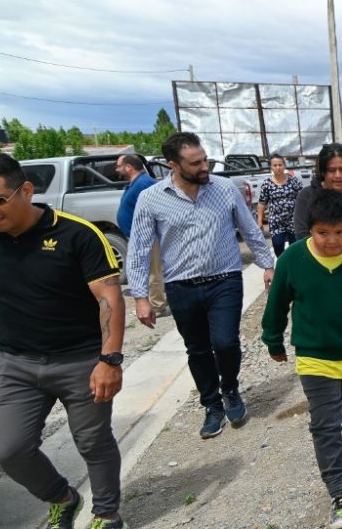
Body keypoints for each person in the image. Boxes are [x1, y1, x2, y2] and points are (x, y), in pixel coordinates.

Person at [0, 154, 128, 529]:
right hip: (13, 363)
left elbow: (109, 298)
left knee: (92, 442)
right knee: (10, 450)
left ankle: (107, 514)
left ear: (26, 190)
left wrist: (109, 360)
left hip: (81, 361)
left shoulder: (77, 234)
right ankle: (62, 497)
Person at [128, 131, 277, 439]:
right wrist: (141, 296)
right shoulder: (151, 198)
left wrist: (268, 265)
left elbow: (249, 229)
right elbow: (139, 248)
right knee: (197, 349)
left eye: (205, 160)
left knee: (225, 342)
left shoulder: (224, 189)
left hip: (225, 279)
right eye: (195, 163)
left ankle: (230, 389)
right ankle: (211, 405)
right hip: (180, 286)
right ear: (173, 165)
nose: (204, 167)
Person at [261, 188, 342, 529]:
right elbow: (277, 303)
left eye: (340, 232)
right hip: (314, 357)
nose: (331, 240)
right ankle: (339, 493)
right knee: (324, 425)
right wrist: (272, 338)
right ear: (310, 229)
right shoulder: (292, 260)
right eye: (322, 232)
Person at [115, 153, 167, 316]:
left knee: (153, 271)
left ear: (128, 167)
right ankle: (154, 301)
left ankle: (158, 306)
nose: (116, 169)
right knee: (148, 270)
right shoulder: (136, 183)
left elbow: (158, 208)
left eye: (118, 166)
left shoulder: (144, 184)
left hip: (149, 237)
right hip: (140, 236)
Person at [293, 143, 342, 240]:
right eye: (332, 170)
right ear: (323, 172)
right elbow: (302, 235)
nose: (338, 175)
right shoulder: (307, 196)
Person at [258, 153, 304, 257]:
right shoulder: (267, 184)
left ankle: (294, 265)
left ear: (284, 166)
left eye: (280, 165)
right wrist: (259, 221)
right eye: (275, 165)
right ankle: (282, 263)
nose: (278, 168)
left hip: (293, 220)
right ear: (271, 167)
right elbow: (261, 203)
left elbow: (303, 198)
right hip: (276, 222)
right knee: (278, 245)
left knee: (296, 247)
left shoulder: (293, 181)